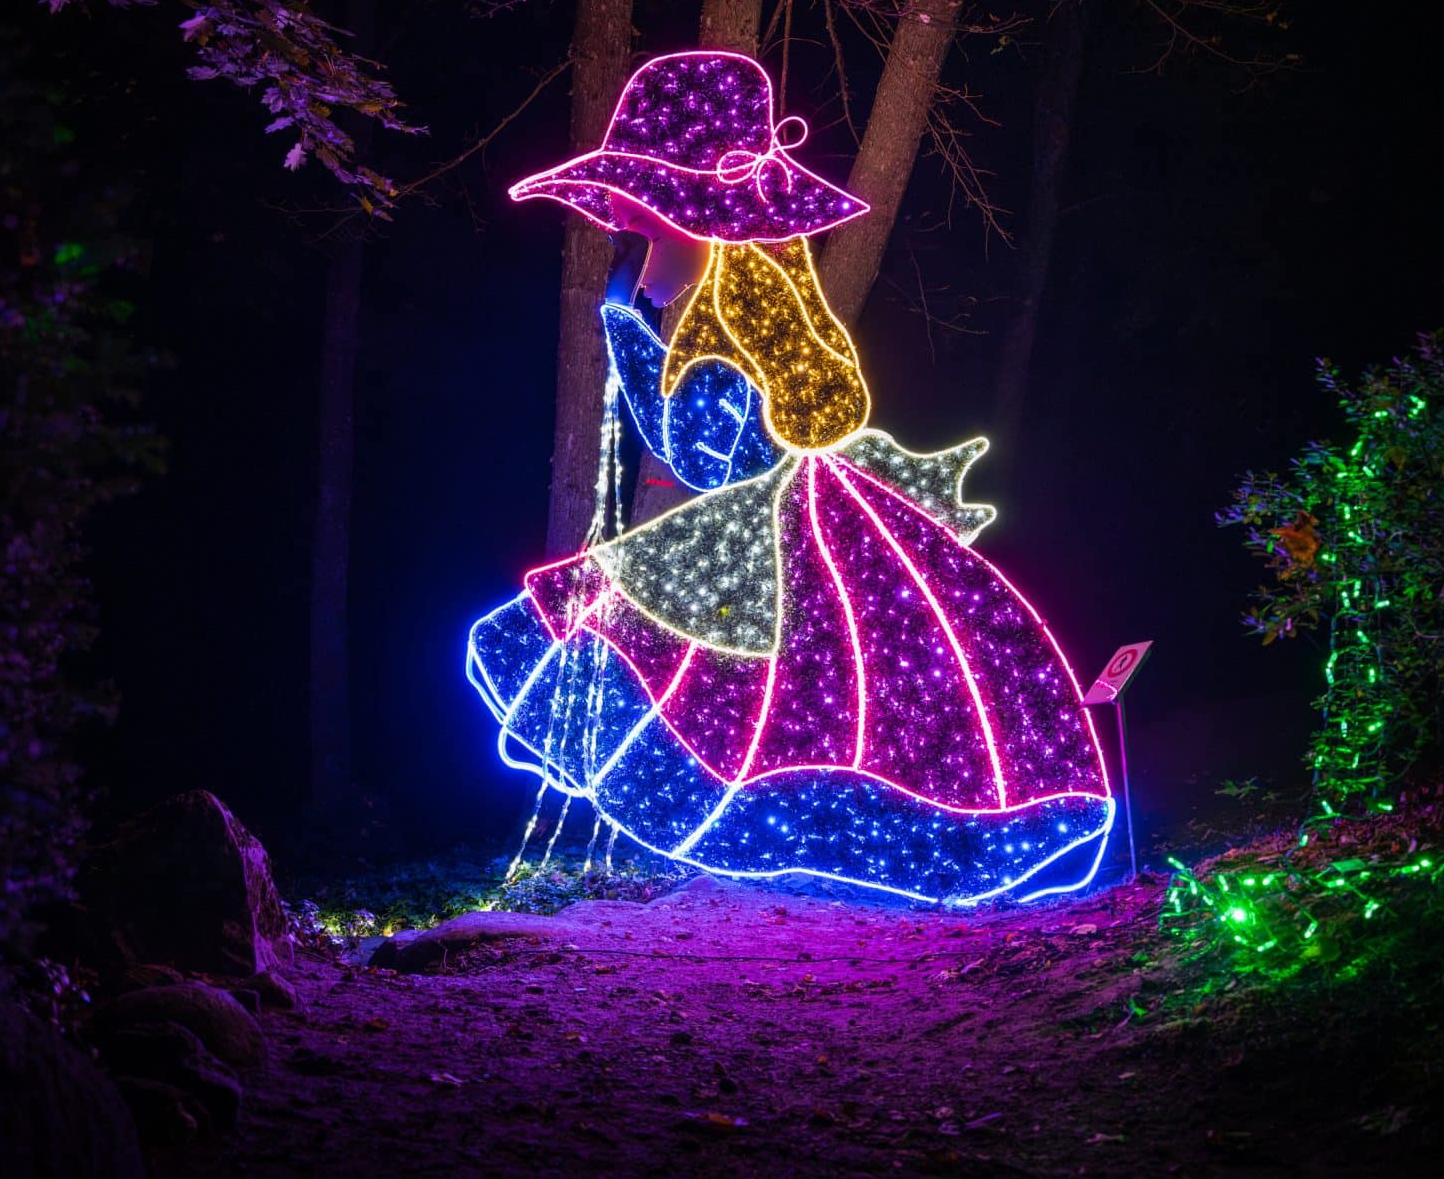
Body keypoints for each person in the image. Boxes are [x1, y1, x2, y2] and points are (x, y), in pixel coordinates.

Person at [468, 51, 1113, 903]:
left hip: (784, 516)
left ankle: (886, 845)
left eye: (640, 220)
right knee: (805, 687)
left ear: (691, 210)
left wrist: (636, 338)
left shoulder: (742, 296)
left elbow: (723, 447)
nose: (628, 238)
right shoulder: (730, 289)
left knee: (826, 687)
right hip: (788, 507)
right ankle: (830, 840)